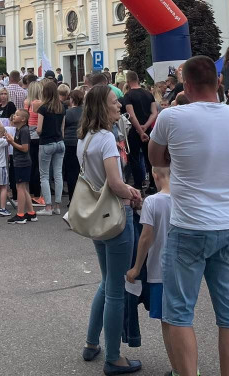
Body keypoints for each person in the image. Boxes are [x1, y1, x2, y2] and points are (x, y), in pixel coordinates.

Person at [147, 55, 229, 376]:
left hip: (188, 225)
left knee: (178, 313)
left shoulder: (171, 117)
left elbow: (156, 160)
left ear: (187, 86)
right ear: (219, 83)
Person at [77, 84, 142, 375]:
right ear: (103, 107)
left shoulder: (86, 137)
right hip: (116, 214)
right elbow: (115, 183)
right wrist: (133, 192)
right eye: (114, 102)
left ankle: (92, 342)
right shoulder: (106, 138)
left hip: (96, 217)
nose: (119, 106)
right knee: (116, 290)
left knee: (106, 283)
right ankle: (114, 358)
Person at [125, 165, 171, 334]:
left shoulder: (153, 201)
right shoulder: (185, 198)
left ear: (155, 175)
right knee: (181, 316)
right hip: (182, 270)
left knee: (167, 322)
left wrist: (136, 268)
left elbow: (146, 237)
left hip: (159, 270)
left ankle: (177, 359)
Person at [122, 70, 159, 194]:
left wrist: (139, 129)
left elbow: (131, 115)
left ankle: (138, 185)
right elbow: (154, 113)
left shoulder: (128, 96)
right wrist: (145, 127)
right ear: (138, 80)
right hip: (148, 130)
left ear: (127, 82)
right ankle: (153, 184)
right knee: (150, 159)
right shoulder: (149, 94)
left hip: (134, 131)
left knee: (134, 158)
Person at [36, 79, 67, 216]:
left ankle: (47, 206)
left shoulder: (43, 108)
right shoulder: (61, 107)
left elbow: (38, 129)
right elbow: (62, 128)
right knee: (58, 174)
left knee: (44, 175)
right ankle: (57, 205)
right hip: (60, 142)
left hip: (46, 143)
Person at [4, 109, 35, 223]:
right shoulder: (19, 130)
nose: (14, 116)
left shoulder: (24, 131)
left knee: (20, 187)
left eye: (17, 115)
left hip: (22, 162)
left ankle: (20, 214)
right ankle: (31, 212)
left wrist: (12, 142)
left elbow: (25, 148)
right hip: (20, 161)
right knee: (23, 187)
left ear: (23, 119)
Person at [63, 87, 84, 204]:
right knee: (82, 171)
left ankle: (73, 198)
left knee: (71, 172)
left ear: (72, 99)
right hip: (82, 141)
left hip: (69, 142)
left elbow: (63, 127)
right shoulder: (85, 112)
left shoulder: (68, 113)